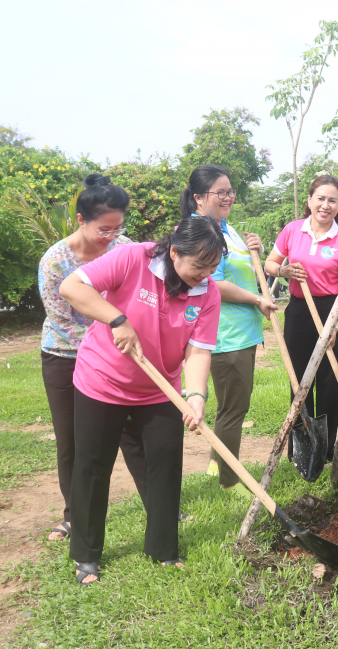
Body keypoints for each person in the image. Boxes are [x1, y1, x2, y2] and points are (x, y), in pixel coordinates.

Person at [58, 216, 225, 585]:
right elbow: (72, 287)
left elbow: (198, 352)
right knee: (93, 466)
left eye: (212, 268)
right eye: (199, 265)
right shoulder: (133, 258)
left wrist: (196, 396)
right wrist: (117, 319)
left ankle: (163, 549)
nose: (205, 275)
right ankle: (86, 555)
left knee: (165, 465)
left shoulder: (208, 293)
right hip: (102, 381)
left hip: (158, 388)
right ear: (175, 252)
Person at [38, 173, 149, 542]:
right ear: (81, 221)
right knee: (72, 438)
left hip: (119, 354)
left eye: (118, 228)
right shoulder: (55, 261)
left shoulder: (124, 248)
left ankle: (160, 504)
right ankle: (74, 515)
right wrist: (114, 330)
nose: (112, 237)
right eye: (104, 229)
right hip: (66, 356)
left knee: (132, 432)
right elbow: (64, 321)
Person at [178, 164, 276, 496]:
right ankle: (229, 479)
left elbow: (238, 272)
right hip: (223, 333)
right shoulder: (200, 232)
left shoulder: (225, 228)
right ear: (198, 198)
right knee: (234, 409)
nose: (228, 197)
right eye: (220, 192)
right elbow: (213, 283)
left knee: (229, 407)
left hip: (241, 331)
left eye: (230, 191)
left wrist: (255, 253)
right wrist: (257, 299)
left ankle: (216, 462)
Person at [265, 175, 338, 461]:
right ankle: (301, 447)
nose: (325, 205)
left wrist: (335, 326)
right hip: (299, 310)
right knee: (299, 379)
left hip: (332, 310)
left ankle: (327, 449)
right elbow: (271, 263)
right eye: (320, 198)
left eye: (332, 200)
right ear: (309, 201)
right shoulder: (293, 231)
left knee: (330, 379)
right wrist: (284, 272)